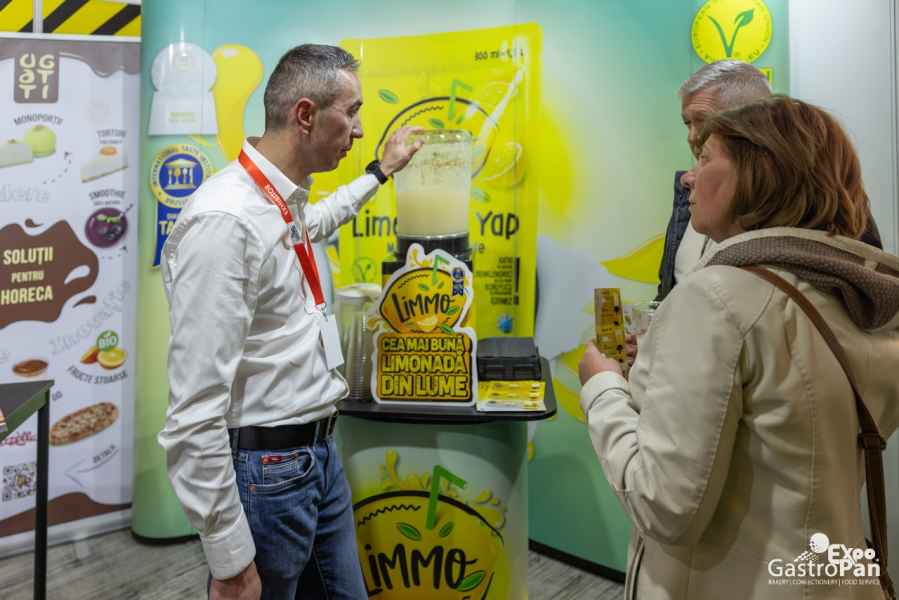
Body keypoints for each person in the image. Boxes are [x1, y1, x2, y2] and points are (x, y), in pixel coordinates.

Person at [579, 96, 899, 599]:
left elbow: (664, 506)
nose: (688, 178)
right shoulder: (863, 300)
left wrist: (603, 388)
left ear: (758, 172)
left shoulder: (718, 298)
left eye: (705, 158)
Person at [158, 44, 421, 600]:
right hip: (269, 471)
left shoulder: (279, 203)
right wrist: (230, 560)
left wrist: (380, 172)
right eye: (351, 112)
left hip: (315, 455)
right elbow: (193, 411)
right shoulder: (227, 221)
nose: (358, 129)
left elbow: (318, 221)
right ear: (306, 115)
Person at [655, 60, 882, 303]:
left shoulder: (815, 202)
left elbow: (860, 294)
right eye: (687, 123)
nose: (692, 136)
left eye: (704, 120)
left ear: (757, 119)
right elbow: (669, 288)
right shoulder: (689, 193)